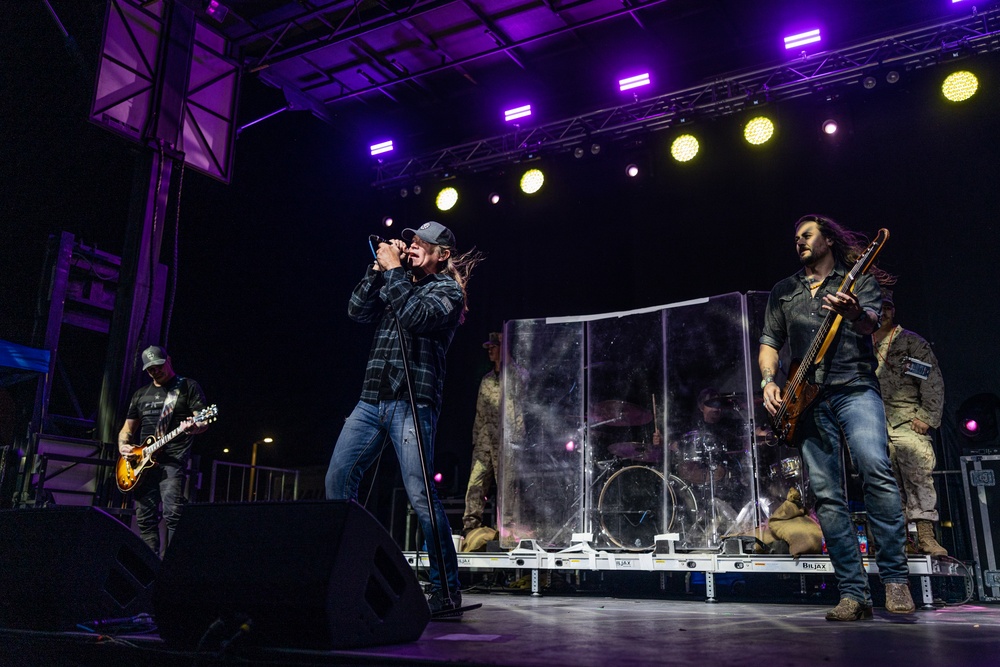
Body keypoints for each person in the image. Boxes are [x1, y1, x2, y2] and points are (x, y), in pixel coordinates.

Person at [760, 214, 915, 621]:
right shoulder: (784, 291)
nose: (800, 243)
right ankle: (853, 594)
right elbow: (770, 342)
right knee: (828, 496)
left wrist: (852, 313)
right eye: (795, 238)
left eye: (807, 235)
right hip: (807, 400)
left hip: (855, 387)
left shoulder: (858, 278)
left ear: (828, 238)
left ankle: (896, 580)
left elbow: (868, 324)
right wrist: (767, 382)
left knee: (875, 467)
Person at [325, 221, 479, 614]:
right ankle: (347, 575)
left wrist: (394, 270)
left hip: (412, 402)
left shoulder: (446, 290)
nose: (411, 247)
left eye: (421, 244)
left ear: (441, 254)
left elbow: (416, 317)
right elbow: (356, 310)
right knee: (338, 480)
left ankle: (446, 589)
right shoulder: (399, 281)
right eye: (411, 241)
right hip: (371, 398)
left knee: (421, 497)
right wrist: (377, 270)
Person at [873, 289, 947, 556]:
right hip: (874, 424)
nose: (884, 312)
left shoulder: (908, 343)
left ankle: (926, 536)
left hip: (907, 420)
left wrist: (926, 417)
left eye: (889, 307)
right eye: (879, 307)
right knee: (885, 484)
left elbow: (931, 380)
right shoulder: (859, 344)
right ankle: (898, 540)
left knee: (917, 475)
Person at [118, 345, 209, 556]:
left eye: (158, 366)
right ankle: (149, 568)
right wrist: (124, 447)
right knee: (144, 518)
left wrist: (194, 426)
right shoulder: (140, 394)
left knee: (173, 514)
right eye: (150, 369)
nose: (155, 371)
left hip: (172, 461)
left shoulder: (187, 386)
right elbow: (127, 430)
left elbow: (203, 421)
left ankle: (172, 567)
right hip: (142, 464)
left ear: (168, 360)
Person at [462, 332, 503, 536]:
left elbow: (521, 412)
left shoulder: (516, 377)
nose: (490, 350)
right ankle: (471, 528)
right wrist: (476, 440)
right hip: (485, 443)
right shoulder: (486, 380)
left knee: (507, 490)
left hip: (506, 444)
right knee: (475, 485)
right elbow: (480, 412)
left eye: (494, 346)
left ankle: (507, 531)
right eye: (489, 347)